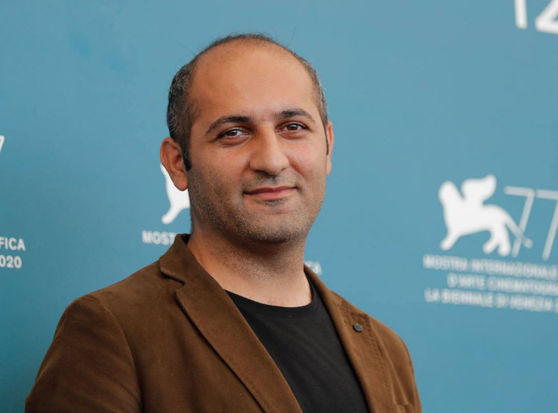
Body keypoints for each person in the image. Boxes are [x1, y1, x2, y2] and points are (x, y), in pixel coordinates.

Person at [26, 33, 422, 412]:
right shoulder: (114, 330)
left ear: (328, 146)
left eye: (293, 127)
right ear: (177, 163)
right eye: (234, 133)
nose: (272, 160)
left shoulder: (386, 352)